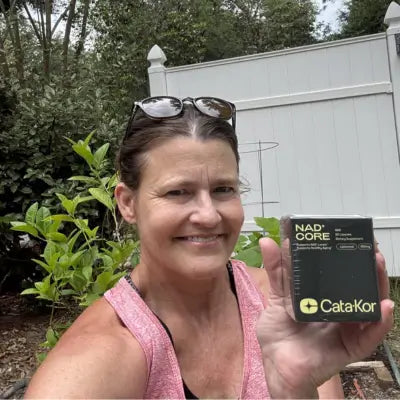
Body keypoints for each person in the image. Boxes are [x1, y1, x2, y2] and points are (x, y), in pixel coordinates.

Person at [25, 96, 393, 399]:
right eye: (177, 192)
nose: (208, 215)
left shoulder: (280, 310)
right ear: (127, 203)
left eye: (223, 189)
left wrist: (295, 389)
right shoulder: (94, 365)